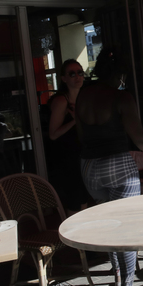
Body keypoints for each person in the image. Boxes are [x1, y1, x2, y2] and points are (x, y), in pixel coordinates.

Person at [76, 47, 143, 286]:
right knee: (128, 228)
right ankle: (126, 284)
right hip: (118, 167)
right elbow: (141, 140)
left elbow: (81, 136)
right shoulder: (121, 97)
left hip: (89, 169)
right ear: (120, 75)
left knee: (110, 224)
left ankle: (116, 276)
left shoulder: (83, 94)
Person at [47, 59, 90, 215]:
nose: (77, 77)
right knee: (75, 201)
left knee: (85, 199)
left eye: (80, 72)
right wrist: (74, 120)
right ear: (64, 78)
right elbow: (53, 134)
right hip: (68, 158)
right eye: (72, 74)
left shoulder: (84, 97)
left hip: (84, 154)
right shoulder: (61, 101)